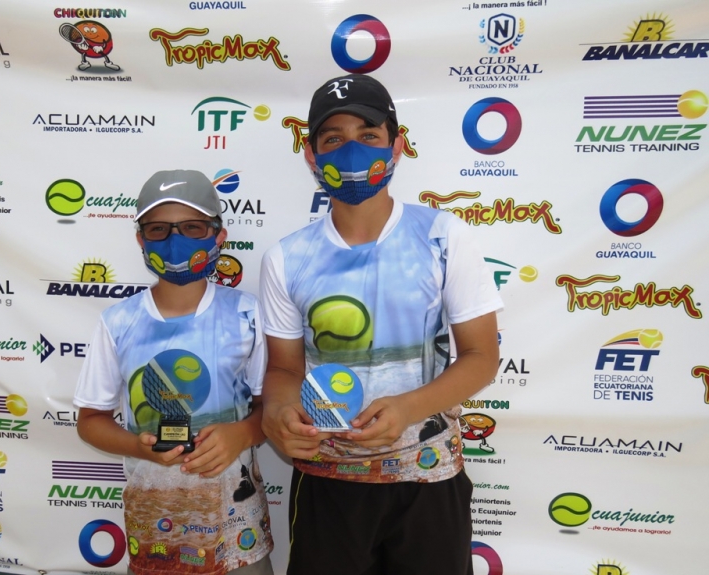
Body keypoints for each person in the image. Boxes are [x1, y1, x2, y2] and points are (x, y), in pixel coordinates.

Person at [259, 74, 503, 575]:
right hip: (328, 480)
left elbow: (482, 358)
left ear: (397, 145)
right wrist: (279, 413)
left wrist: (408, 407)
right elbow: (283, 369)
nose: (351, 149)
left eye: (368, 134)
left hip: (429, 478)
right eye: (333, 138)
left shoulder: (443, 235)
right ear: (311, 155)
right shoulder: (286, 257)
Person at [74, 169, 274, 575]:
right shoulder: (118, 322)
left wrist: (241, 434)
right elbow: (91, 421)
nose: (175, 240)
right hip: (155, 527)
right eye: (159, 229)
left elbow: (270, 409)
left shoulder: (246, 313)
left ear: (218, 235)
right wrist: (138, 447)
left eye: (192, 227)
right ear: (141, 239)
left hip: (238, 528)